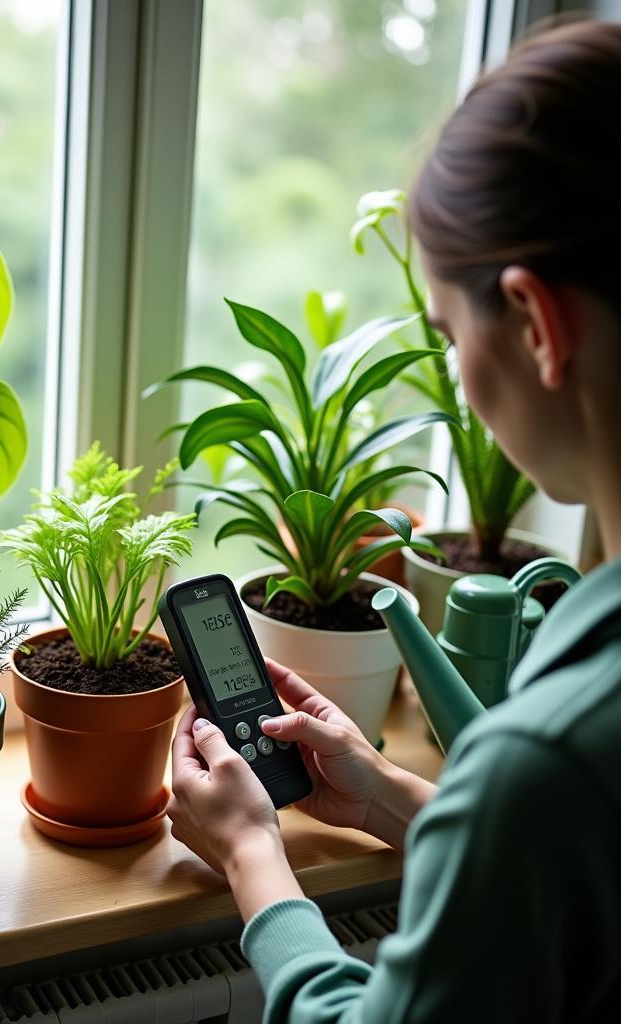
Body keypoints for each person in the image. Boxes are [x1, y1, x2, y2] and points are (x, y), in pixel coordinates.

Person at [166, 19, 621, 1023]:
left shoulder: (550, 753)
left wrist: (252, 857)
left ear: (536, 324)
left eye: (450, 332)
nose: (457, 368)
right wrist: (384, 794)